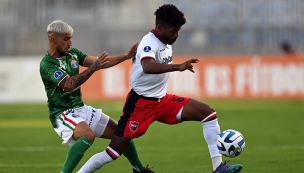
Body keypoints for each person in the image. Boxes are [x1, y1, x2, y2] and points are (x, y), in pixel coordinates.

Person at [77, 4, 243, 173]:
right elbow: (148, 66)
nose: (177, 35)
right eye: (173, 31)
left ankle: (218, 168)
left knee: (208, 113)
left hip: (161, 101)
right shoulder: (150, 42)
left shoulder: (165, 39)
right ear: (160, 27)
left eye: (178, 31)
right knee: (112, 153)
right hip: (139, 105)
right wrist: (176, 67)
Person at [40, 20, 156, 173]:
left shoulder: (73, 54)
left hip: (80, 109)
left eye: (71, 38)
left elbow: (100, 63)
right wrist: (93, 68)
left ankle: (139, 170)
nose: (70, 42)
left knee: (122, 134)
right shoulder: (47, 64)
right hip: (62, 113)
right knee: (88, 135)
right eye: (66, 39)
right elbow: (69, 84)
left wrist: (126, 56)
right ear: (53, 40)